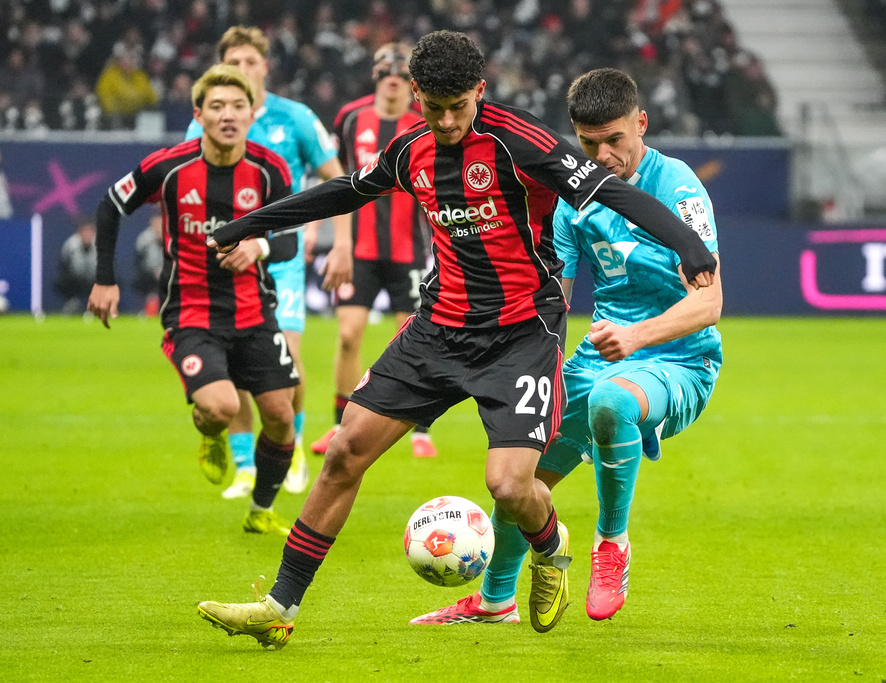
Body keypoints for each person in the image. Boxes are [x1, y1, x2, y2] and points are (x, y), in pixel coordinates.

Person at [196, 30, 716, 649]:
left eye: (458, 107)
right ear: (416, 94)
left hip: (523, 332)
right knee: (343, 453)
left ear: (480, 91)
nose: (444, 121)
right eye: (432, 106)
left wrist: (691, 246)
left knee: (509, 485)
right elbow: (340, 192)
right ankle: (279, 606)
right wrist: (248, 224)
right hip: (438, 329)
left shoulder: (523, 141)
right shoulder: (409, 149)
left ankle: (551, 548)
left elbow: (613, 192)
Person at [410, 67, 723, 626]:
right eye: (589, 143)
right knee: (518, 483)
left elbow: (709, 303)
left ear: (641, 124)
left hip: (681, 358)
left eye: (615, 140)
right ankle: (494, 600)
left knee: (612, 403)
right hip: (599, 357)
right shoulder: (573, 199)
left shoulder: (677, 186)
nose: (602, 156)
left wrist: (635, 335)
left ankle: (611, 545)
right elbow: (553, 297)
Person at [87, 64, 300, 536]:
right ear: (199, 114)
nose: (229, 115)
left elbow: (290, 239)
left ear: (252, 114)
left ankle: (261, 510)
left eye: (238, 107)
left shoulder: (270, 169)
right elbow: (110, 203)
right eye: (218, 107)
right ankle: (211, 437)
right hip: (191, 314)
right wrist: (105, 278)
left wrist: (258, 245)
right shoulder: (168, 167)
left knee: (282, 417)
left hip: (254, 311)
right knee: (221, 408)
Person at [186, 26, 348, 500]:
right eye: (233, 63)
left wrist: (341, 244)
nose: (243, 71)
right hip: (224, 260)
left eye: (251, 62)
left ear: (264, 67)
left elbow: (336, 180)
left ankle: (290, 447)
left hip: (280, 254)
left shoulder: (293, 117)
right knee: (232, 364)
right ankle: (242, 465)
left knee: (289, 358)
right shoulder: (203, 123)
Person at [309, 42, 438, 460]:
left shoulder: (424, 120)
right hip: (358, 248)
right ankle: (337, 421)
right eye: (386, 74)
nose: (392, 81)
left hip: (408, 248)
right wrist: (317, 229)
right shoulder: (350, 118)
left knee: (415, 337)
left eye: (400, 76)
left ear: (411, 84)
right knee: (348, 336)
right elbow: (332, 177)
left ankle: (420, 427)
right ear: (377, 77)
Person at [54, 216, 98, 314]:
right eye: (84, 231)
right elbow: (63, 267)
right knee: (61, 281)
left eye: (89, 231)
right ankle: (72, 303)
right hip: (76, 280)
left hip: (95, 279)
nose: (87, 235)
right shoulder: (70, 245)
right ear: (79, 233)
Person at [133, 210, 163, 317]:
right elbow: (138, 264)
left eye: (161, 223)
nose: (159, 227)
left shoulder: (173, 237)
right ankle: (149, 305)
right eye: (156, 223)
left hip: (168, 274)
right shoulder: (144, 240)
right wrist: (152, 272)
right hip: (148, 277)